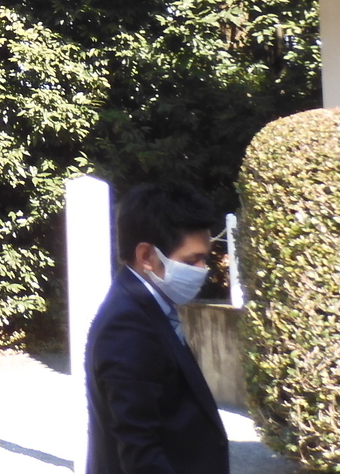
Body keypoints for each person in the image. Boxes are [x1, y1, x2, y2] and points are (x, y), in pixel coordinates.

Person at [85, 182, 229, 474]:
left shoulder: (147, 308)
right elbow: (140, 451)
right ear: (147, 257)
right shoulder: (127, 327)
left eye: (205, 258)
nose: (203, 270)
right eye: (192, 260)